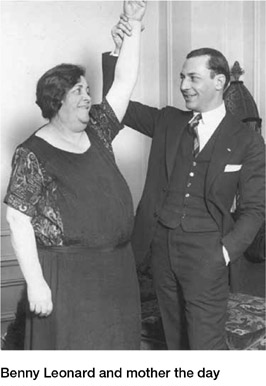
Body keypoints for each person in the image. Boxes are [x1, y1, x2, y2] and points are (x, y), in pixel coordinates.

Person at [101, 19, 265, 350]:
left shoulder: (246, 141)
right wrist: (118, 53)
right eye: (181, 77)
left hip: (209, 253)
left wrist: (224, 252)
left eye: (193, 77)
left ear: (220, 81)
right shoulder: (168, 121)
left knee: (206, 346)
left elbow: (255, 208)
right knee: (174, 343)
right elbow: (115, 109)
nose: (184, 85)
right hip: (161, 247)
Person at [4, 0, 147, 350]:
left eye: (87, 89)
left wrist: (133, 28)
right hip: (66, 277)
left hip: (116, 270)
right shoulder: (32, 152)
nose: (88, 96)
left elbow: (124, 82)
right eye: (79, 91)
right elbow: (18, 220)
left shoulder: (98, 128)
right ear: (57, 102)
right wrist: (35, 284)